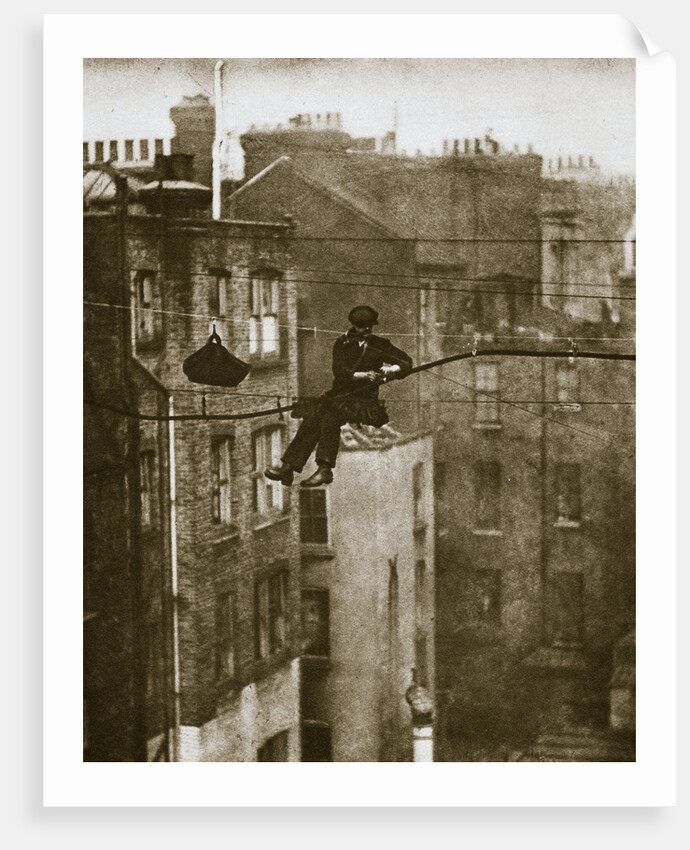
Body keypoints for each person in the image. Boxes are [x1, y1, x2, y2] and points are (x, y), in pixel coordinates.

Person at [265, 305, 413, 487]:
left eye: (369, 326)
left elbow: (407, 362)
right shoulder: (342, 344)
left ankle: (324, 469)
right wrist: (362, 375)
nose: (366, 330)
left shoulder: (380, 345)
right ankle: (288, 467)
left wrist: (391, 370)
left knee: (330, 415)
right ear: (354, 326)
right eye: (362, 326)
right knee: (314, 416)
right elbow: (339, 371)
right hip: (339, 396)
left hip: (363, 402)